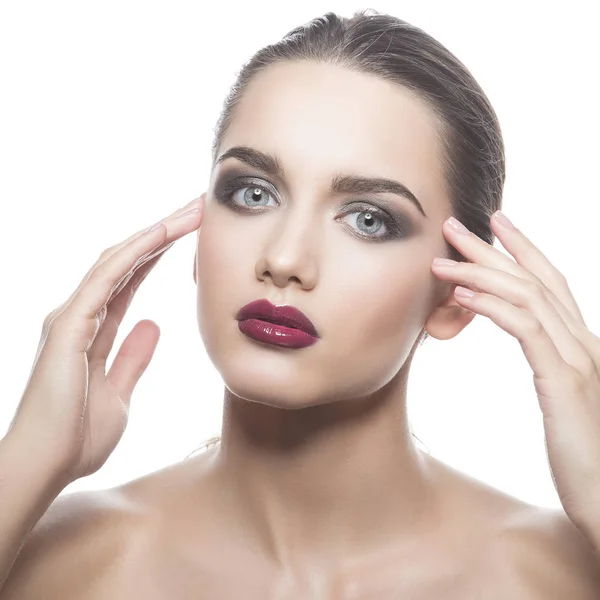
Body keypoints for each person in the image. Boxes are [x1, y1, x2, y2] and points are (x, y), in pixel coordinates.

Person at [1, 8, 600, 598]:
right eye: (253, 193)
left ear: (456, 295)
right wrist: (26, 462)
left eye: (368, 219)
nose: (284, 258)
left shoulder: (553, 579)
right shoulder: (58, 562)